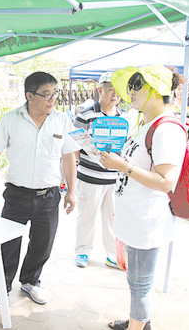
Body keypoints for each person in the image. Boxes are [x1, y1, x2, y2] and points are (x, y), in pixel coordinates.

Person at [0, 71, 80, 309]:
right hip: (17, 195)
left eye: (55, 94)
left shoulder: (62, 120)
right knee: (8, 244)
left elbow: (69, 156)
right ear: (30, 95)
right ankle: (0, 287)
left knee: (43, 244)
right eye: (46, 94)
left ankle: (30, 281)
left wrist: (71, 190)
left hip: (49, 196)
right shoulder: (11, 120)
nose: (52, 99)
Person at [100, 65, 186, 330]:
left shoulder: (167, 129)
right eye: (131, 85)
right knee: (136, 281)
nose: (130, 91)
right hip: (134, 217)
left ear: (156, 89)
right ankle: (139, 320)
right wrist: (117, 163)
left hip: (147, 221)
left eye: (137, 85)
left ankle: (138, 325)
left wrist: (122, 166)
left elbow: (165, 181)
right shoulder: (145, 124)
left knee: (140, 284)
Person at [74, 72, 122, 268]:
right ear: (100, 90)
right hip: (89, 178)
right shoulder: (84, 116)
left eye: (117, 90)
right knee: (87, 216)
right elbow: (74, 147)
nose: (114, 94)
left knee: (113, 219)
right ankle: (83, 251)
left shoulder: (124, 118)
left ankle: (112, 254)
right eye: (110, 89)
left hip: (114, 180)